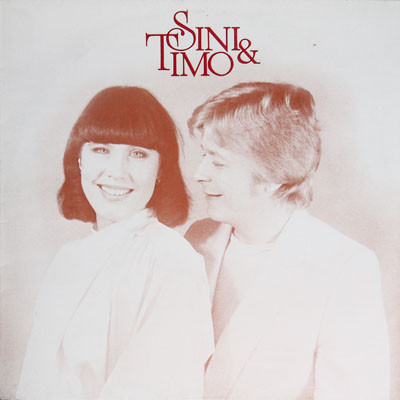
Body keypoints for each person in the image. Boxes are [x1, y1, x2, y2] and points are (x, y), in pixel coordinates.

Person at [185, 82, 390, 399]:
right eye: (204, 155)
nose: (200, 173)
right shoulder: (197, 239)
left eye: (219, 161)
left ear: (274, 175)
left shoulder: (345, 266)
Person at [17, 86, 213, 400]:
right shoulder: (69, 258)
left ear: (160, 169)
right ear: (79, 159)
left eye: (138, 154)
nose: (117, 172)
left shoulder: (173, 262)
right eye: (101, 150)